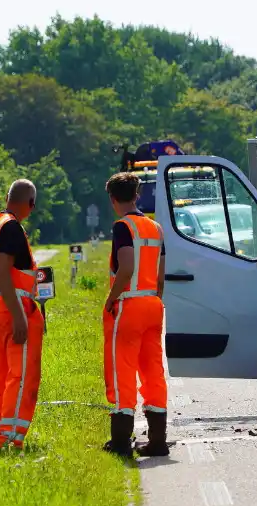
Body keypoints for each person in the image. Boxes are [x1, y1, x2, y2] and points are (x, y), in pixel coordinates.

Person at [102, 172, 170, 458]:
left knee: (122, 370)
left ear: (113, 199)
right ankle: (157, 440)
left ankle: (120, 441)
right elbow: (160, 275)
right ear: (137, 195)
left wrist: (111, 298)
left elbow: (126, 267)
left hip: (128, 305)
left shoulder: (122, 227)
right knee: (153, 370)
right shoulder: (155, 228)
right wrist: (153, 297)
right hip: (153, 304)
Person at [0, 179, 44, 449]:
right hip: (14, 307)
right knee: (20, 375)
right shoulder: (12, 228)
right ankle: (9, 436)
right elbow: (4, 272)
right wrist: (20, 316)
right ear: (30, 204)